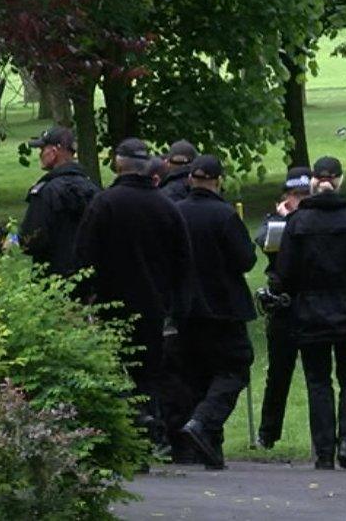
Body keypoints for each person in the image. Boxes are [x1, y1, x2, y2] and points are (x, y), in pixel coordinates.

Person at [74, 137, 193, 452]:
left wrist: (84, 297)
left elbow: (84, 257)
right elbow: (183, 261)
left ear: (117, 163)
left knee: (115, 372)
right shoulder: (165, 207)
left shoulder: (103, 204)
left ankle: (127, 438)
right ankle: (152, 434)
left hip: (111, 305)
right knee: (147, 375)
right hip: (154, 305)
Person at [276, 156, 346, 470]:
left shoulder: (298, 222)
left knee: (318, 381)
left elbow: (285, 273)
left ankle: (323, 451)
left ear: (312, 182)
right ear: (339, 181)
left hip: (309, 311)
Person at [169, 155, 257, 469]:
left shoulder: (176, 213)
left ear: (191, 179)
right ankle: (203, 423)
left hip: (187, 308)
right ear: (218, 181)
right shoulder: (224, 215)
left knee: (198, 376)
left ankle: (210, 449)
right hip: (223, 307)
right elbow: (246, 260)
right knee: (235, 369)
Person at [254, 166, 312, 450]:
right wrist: (289, 222)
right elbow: (266, 243)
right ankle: (268, 432)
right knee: (278, 374)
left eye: (305, 194)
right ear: (286, 196)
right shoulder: (275, 222)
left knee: (318, 375)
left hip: (312, 302)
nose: (300, 200)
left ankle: (322, 438)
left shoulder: (318, 220)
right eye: (296, 195)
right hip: (283, 304)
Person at [19, 126, 101, 277]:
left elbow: (30, 241)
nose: (40, 155)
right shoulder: (92, 189)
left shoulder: (46, 192)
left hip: (53, 281)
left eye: (42, 150)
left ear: (54, 152)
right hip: (89, 279)